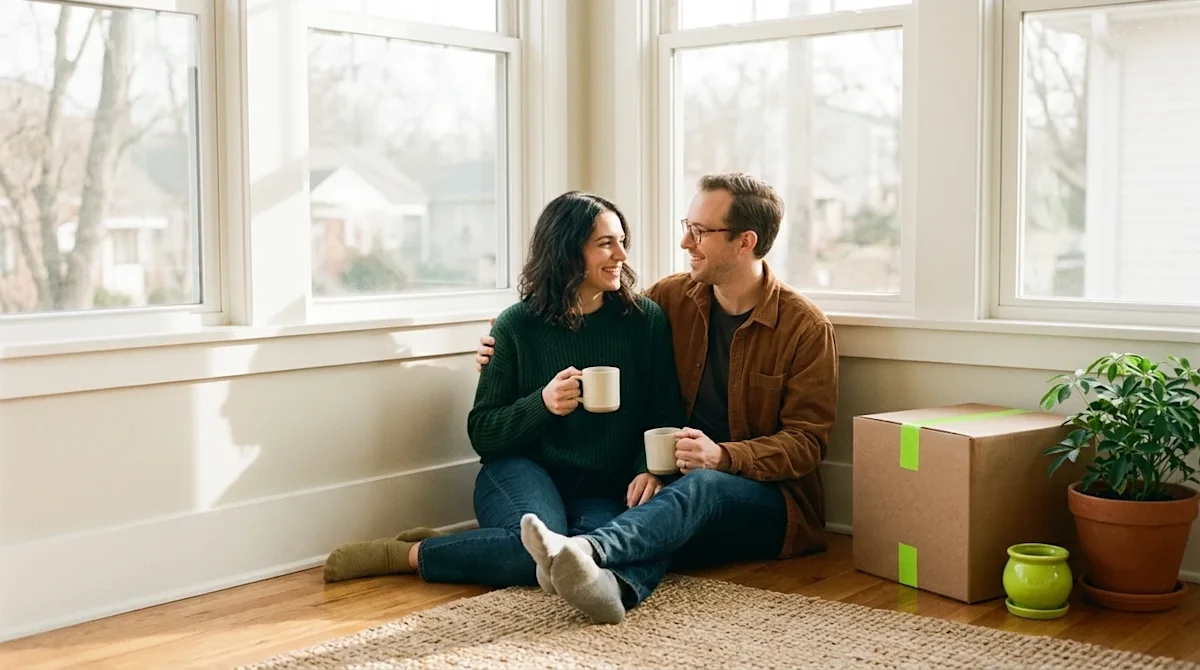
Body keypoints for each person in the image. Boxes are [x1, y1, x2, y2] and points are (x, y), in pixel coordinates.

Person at [477, 173, 839, 624]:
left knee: (701, 487)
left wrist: (723, 457)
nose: (686, 242)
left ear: (745, 242)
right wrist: (502, 344)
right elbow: (596, 322)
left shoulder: (805, 329)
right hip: (676, 486)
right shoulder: (672, 299)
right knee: (655, 512)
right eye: (688, 226)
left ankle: (589, 549)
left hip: (769, 502)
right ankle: (611, 587)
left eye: (700, 231)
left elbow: (807, 444)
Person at [321, 191, 686, 610]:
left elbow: (664, 412)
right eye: (606, 243)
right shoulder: (517, 325)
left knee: (589, 553)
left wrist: (647, 469)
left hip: (602, 487)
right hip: (521, 471)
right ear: (568, 251)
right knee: (529, 553)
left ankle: (475, 545)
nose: (621, 254)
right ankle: (406, 554)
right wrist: (543, 404)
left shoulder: (644, 322)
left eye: (622, 241)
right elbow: (484, 433)